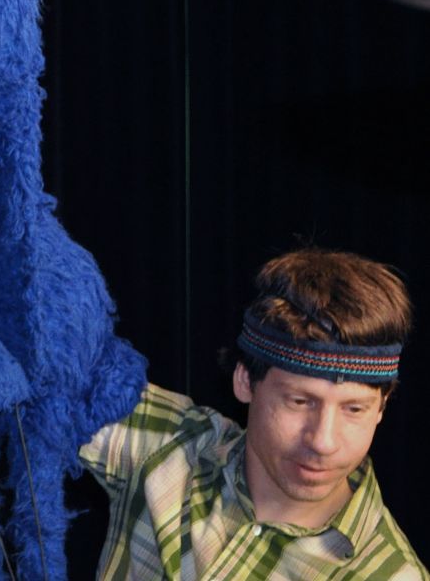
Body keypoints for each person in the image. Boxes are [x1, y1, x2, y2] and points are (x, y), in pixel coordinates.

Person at [80, 248, 427, 579]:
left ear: (382, 406)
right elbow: (57, 358)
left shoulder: (390, 575)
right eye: (300, 401)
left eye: (354, 409)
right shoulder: (168, 445)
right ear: (245, 381)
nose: (323, 441)